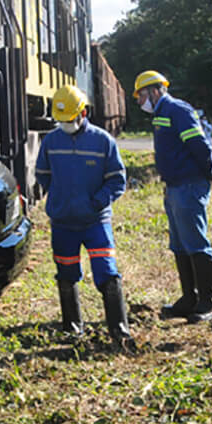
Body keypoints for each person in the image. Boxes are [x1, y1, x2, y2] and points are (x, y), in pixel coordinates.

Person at [35, 84, 131, 344]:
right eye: (61, 120)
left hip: (95, 222)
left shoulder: (103, 141)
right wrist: (61, 197)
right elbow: (42, 174)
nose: (65, 125)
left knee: (107, 273)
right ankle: (72, 328)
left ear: (83, 114)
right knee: (66, 275)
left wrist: (97, 202)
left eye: (69, 119)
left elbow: (117, 180)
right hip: (63, 222)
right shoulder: (51, 141)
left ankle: (119, 331)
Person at [133, 70, 212, 323]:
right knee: (180, 244)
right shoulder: (161, 113)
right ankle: (190, 298)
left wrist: (208, 173)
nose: (140, 102)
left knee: (195, 242)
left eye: (141, 96)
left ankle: (209, 302)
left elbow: (199, 145)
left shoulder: (177, 110)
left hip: (188, 184)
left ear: (155, 91)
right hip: (174, 186)